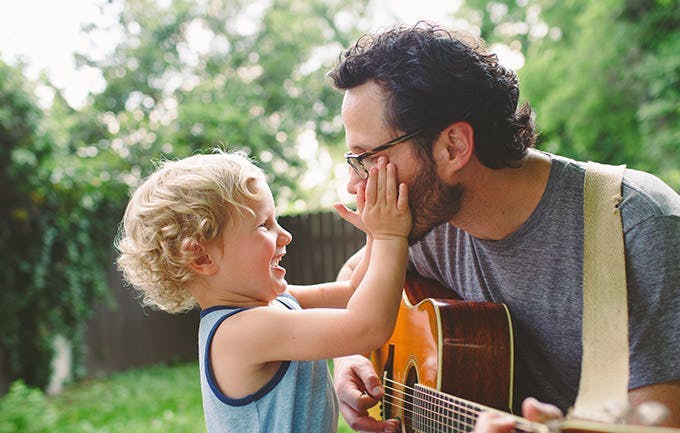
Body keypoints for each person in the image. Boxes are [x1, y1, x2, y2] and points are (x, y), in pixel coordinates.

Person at [327, 21, 680, 432]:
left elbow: (660, 422)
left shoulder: (635, 225)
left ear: (453, 147)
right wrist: (352, 356)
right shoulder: (430, 219)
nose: (356, 184)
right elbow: (354, 278)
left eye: (367, 157)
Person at [115, 150, 409, 433]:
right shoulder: (240, 332)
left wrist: (374, 234)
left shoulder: (274, 305)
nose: (285, 234)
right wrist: (390, 235)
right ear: (202, 257)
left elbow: (354, 292)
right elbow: (367, 327)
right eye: (264, 225)